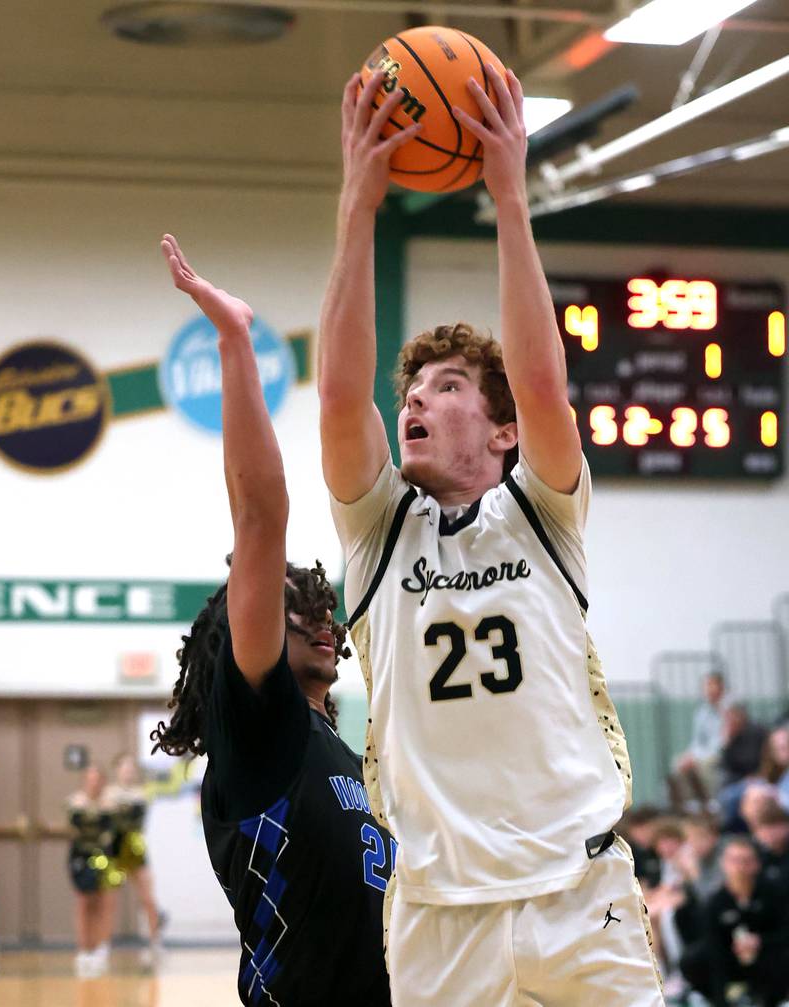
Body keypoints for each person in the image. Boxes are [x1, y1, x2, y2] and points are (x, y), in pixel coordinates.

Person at [318, 67, 663, 1005]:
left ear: (503, 431)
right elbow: (341, 394)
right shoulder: (379, 529)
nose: (415, 400)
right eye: (413, 390)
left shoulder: (543, 511)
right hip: (439, 907)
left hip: (578, 887)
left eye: (448, 387)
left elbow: (545, 385)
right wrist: (360, 199)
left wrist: (511, 194)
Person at [151, 235, 392, 1007]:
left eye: (322, 607)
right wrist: (235, 343)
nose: (320, 622)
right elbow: (260, 517)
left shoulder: (345, 751)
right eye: (295, 615)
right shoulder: (260, 732)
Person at [680, 836, 789, 1007]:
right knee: (693, 959)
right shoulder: (714, 903)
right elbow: (714, 949)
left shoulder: (774, 893)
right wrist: (721, 1000)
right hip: (731, 960)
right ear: (724, 863)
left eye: (746, 861)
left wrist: (761, 941)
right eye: (734, 860)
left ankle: (773, 999)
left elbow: (784, 932)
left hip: (767, 958)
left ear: (756, 864)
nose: (740, 867)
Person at [105, 753, 166, 966]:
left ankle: (155, 941)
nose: (128, 771)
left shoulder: (141, 793)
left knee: (148, 898)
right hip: (115, 850)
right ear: (117, 769)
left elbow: (140, 809)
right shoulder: (109, 793)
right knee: (109, 900)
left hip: (136, 849)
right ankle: (103, 944)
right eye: (124, 767)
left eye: (131, 767)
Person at [66, 765, 121, 978]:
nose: (94, 783)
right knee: (83, 902)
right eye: (90, 778)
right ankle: (84, 949)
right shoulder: (75, 802)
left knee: (105, 902)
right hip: (81, 855)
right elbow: (75, 827)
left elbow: (114, 830)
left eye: (98, 779)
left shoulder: (111, 804)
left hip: (105, 856)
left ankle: (102, 947)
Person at [669, 671, 726, 812]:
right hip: (704, 752)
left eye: (712, 685)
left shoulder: (728, 710)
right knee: (678, 763)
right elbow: (697, 741)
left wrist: (698, 757)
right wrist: (691, 755)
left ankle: (713, 803)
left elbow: (722, 742)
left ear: (721, 687)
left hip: (722, 753)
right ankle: (692, 804)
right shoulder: (702, 712)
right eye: (707, 685)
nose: (709, 689)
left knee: (706, 763)